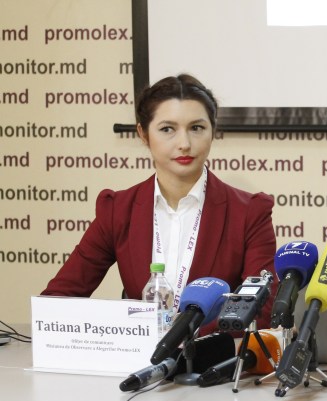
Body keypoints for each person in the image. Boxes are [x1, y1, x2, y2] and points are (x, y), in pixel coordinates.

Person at [42, 74, 277, 330]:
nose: (184, 144)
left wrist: (180, 335)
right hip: (139, 353)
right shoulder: (118, 210)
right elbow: (56, 301)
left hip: (213, 354)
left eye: (197, 128)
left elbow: (262, 313)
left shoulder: (249, 213)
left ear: (213, 131)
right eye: (167, 129)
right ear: (143, 134)